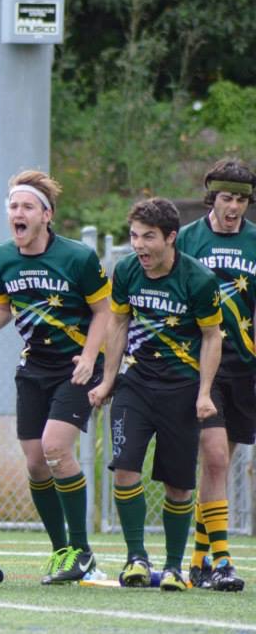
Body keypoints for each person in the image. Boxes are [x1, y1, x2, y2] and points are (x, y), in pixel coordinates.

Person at [89, 197, 222, 592]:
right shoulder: (127, 270)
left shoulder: (198, 279)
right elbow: (118, 323)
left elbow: (211, 337)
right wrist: (108, 380)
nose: (139, 245)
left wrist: (204, 393)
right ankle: (136, 559)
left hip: (182, 390)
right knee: (125, 469)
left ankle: (174, 567)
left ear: (170, 238)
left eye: (148, 237)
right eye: (134, 236)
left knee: (179, 485)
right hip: (136, 385)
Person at [0, 171, 110, 583]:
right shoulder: (2, 258)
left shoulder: (77, 257)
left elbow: (104, 311)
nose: (17, 213)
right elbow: (3, 309)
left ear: (46, 215)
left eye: (27, 207)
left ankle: (83, 551)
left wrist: (89, 357)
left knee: (56, 448)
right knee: (37, 463)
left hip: (75, 367)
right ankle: (62, 551)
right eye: (13, 207)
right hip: (33, 367)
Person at [175, 159, 255, 592]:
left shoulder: (254, 241)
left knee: (219, 466)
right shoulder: (187, 239)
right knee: (217, 457)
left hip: (244, 367)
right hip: (201, 366)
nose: (234, 207)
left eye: (241, 199)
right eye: (227, 198)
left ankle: (199, 560)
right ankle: (222, 561)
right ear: (212, 197)